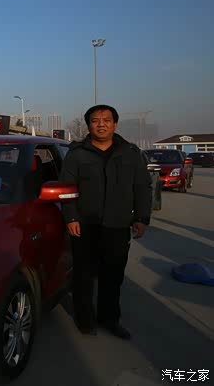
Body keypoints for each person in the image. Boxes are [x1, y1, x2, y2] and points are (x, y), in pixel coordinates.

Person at [59, 105, 152, 340]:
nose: (101, 124)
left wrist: (141, 218)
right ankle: (85, 320)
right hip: (84, 225)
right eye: (95, 120)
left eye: (106, 120)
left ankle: (109, 319)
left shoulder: (130, 153)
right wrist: (71, 217)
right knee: (83, 276)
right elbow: (66, 189)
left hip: (117, 225)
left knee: (113, 275)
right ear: (88, 125)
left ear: (115, 124)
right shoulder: (76, 154)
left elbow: (142, 187)